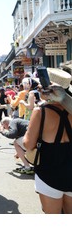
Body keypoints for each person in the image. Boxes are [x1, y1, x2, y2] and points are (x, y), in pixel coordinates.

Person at [23, 68, 72, 214]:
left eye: (40, 87)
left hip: (48, 172)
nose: (38, 89)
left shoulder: (40, 111)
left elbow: (28, 144)